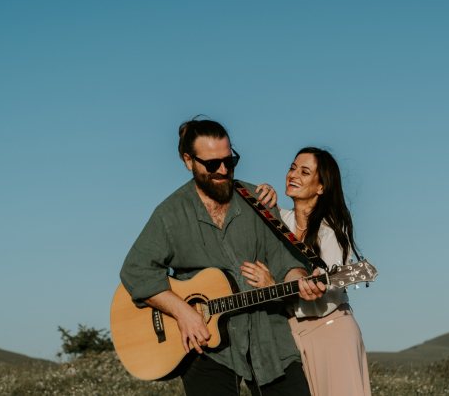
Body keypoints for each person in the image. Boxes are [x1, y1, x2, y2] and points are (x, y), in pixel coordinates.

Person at [119, 118, 327, 396]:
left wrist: (301, 280)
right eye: (212, 164)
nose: (223, 170)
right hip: (206, 349)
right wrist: (182, 312)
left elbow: (285, 260)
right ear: (188, 161)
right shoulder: (170, 214)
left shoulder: (257, 199)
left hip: (269, 340)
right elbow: (136, 270)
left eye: (229, 161)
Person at [241, 147, 372, 396]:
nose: (293, 175)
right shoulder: (279, 220)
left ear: (321, 187)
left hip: (331, 331)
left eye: (304, 171)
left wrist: (273, 288)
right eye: (292, 168)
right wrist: (263, 192)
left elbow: (328, 294)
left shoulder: (331, 231)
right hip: (292, 336)